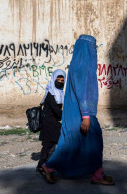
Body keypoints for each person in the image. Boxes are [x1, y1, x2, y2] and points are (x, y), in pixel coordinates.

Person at [41, 34, 115, 185]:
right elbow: (83, 91)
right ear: (86, 49)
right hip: (83, 114)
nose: (94, 50)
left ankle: (49, 167)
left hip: (77, 114)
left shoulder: (77, 65)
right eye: (92, 47)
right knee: (93, 142)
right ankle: (97, 175)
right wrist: (86, 116)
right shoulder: (82, 67)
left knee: (73, 145)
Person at [36, 69, 66, 178]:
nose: (60, 81)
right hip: (49, 123)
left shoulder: (60, 92)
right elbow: (55, 109)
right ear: (54, 79)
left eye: (62, 80)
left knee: (48, 145)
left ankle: (41, 165)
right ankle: (49, 167)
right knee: (59, 143)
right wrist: (66, 117)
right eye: (58, 79)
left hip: (53, 122)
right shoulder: (51, 93)